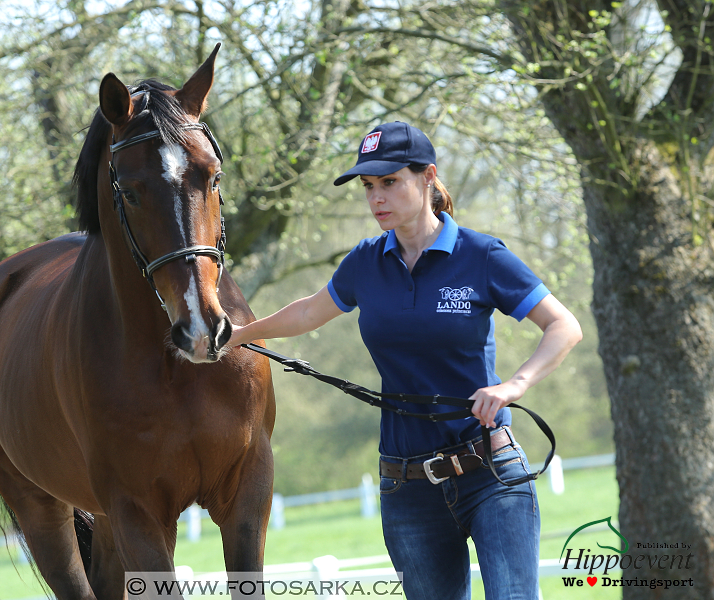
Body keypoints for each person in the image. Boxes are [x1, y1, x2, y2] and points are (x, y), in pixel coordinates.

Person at [226, 121, 583, 600]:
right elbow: (311, 310)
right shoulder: (365, 262)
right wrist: (239, 335)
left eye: (390, 182)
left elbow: (564, 326)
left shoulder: (481, 256)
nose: (377, 198)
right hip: (407, 488)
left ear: (428, 177)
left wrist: (513, 385)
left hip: (491, 473)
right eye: (369, 187)